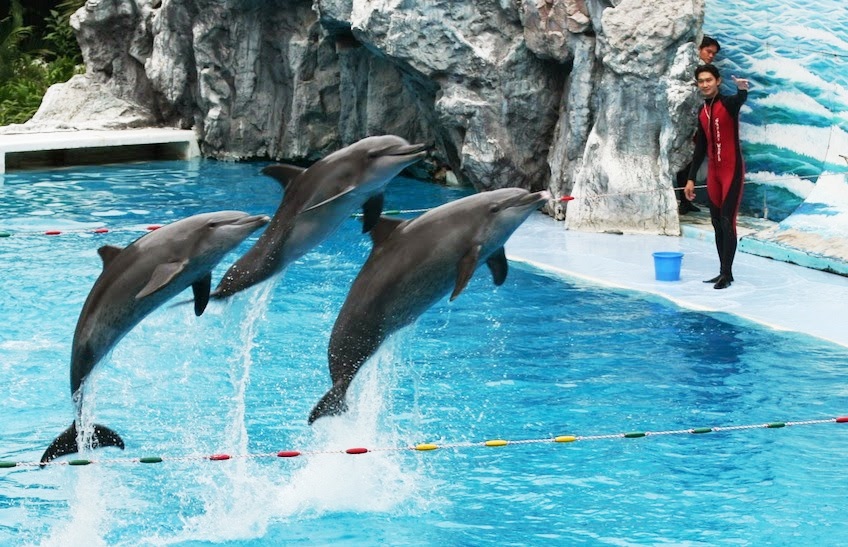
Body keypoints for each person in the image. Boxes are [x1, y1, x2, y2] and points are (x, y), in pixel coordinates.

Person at [683, 64, 749, 289]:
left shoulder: (728, 104)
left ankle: (727, 274)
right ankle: (722, 271)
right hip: (714, 174)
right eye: (701, 81)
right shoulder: (703, 112)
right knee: (715, 222)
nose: (705, 84)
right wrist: (691, 179)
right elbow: (700, 148)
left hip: (732, 171)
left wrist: (742, 91)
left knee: (726, 221)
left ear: (718, 81)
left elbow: (739, 100)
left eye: (708, 80)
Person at [676, 36, 722, 215]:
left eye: (713, 54)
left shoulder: (707, 72)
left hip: (698, 123)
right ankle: (682, 200)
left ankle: (686, 201)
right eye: (708, 51)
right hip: (684, 124)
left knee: (689, 163)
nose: (710, 56)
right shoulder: (689, 69)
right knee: (682, 163)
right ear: (699, 49)